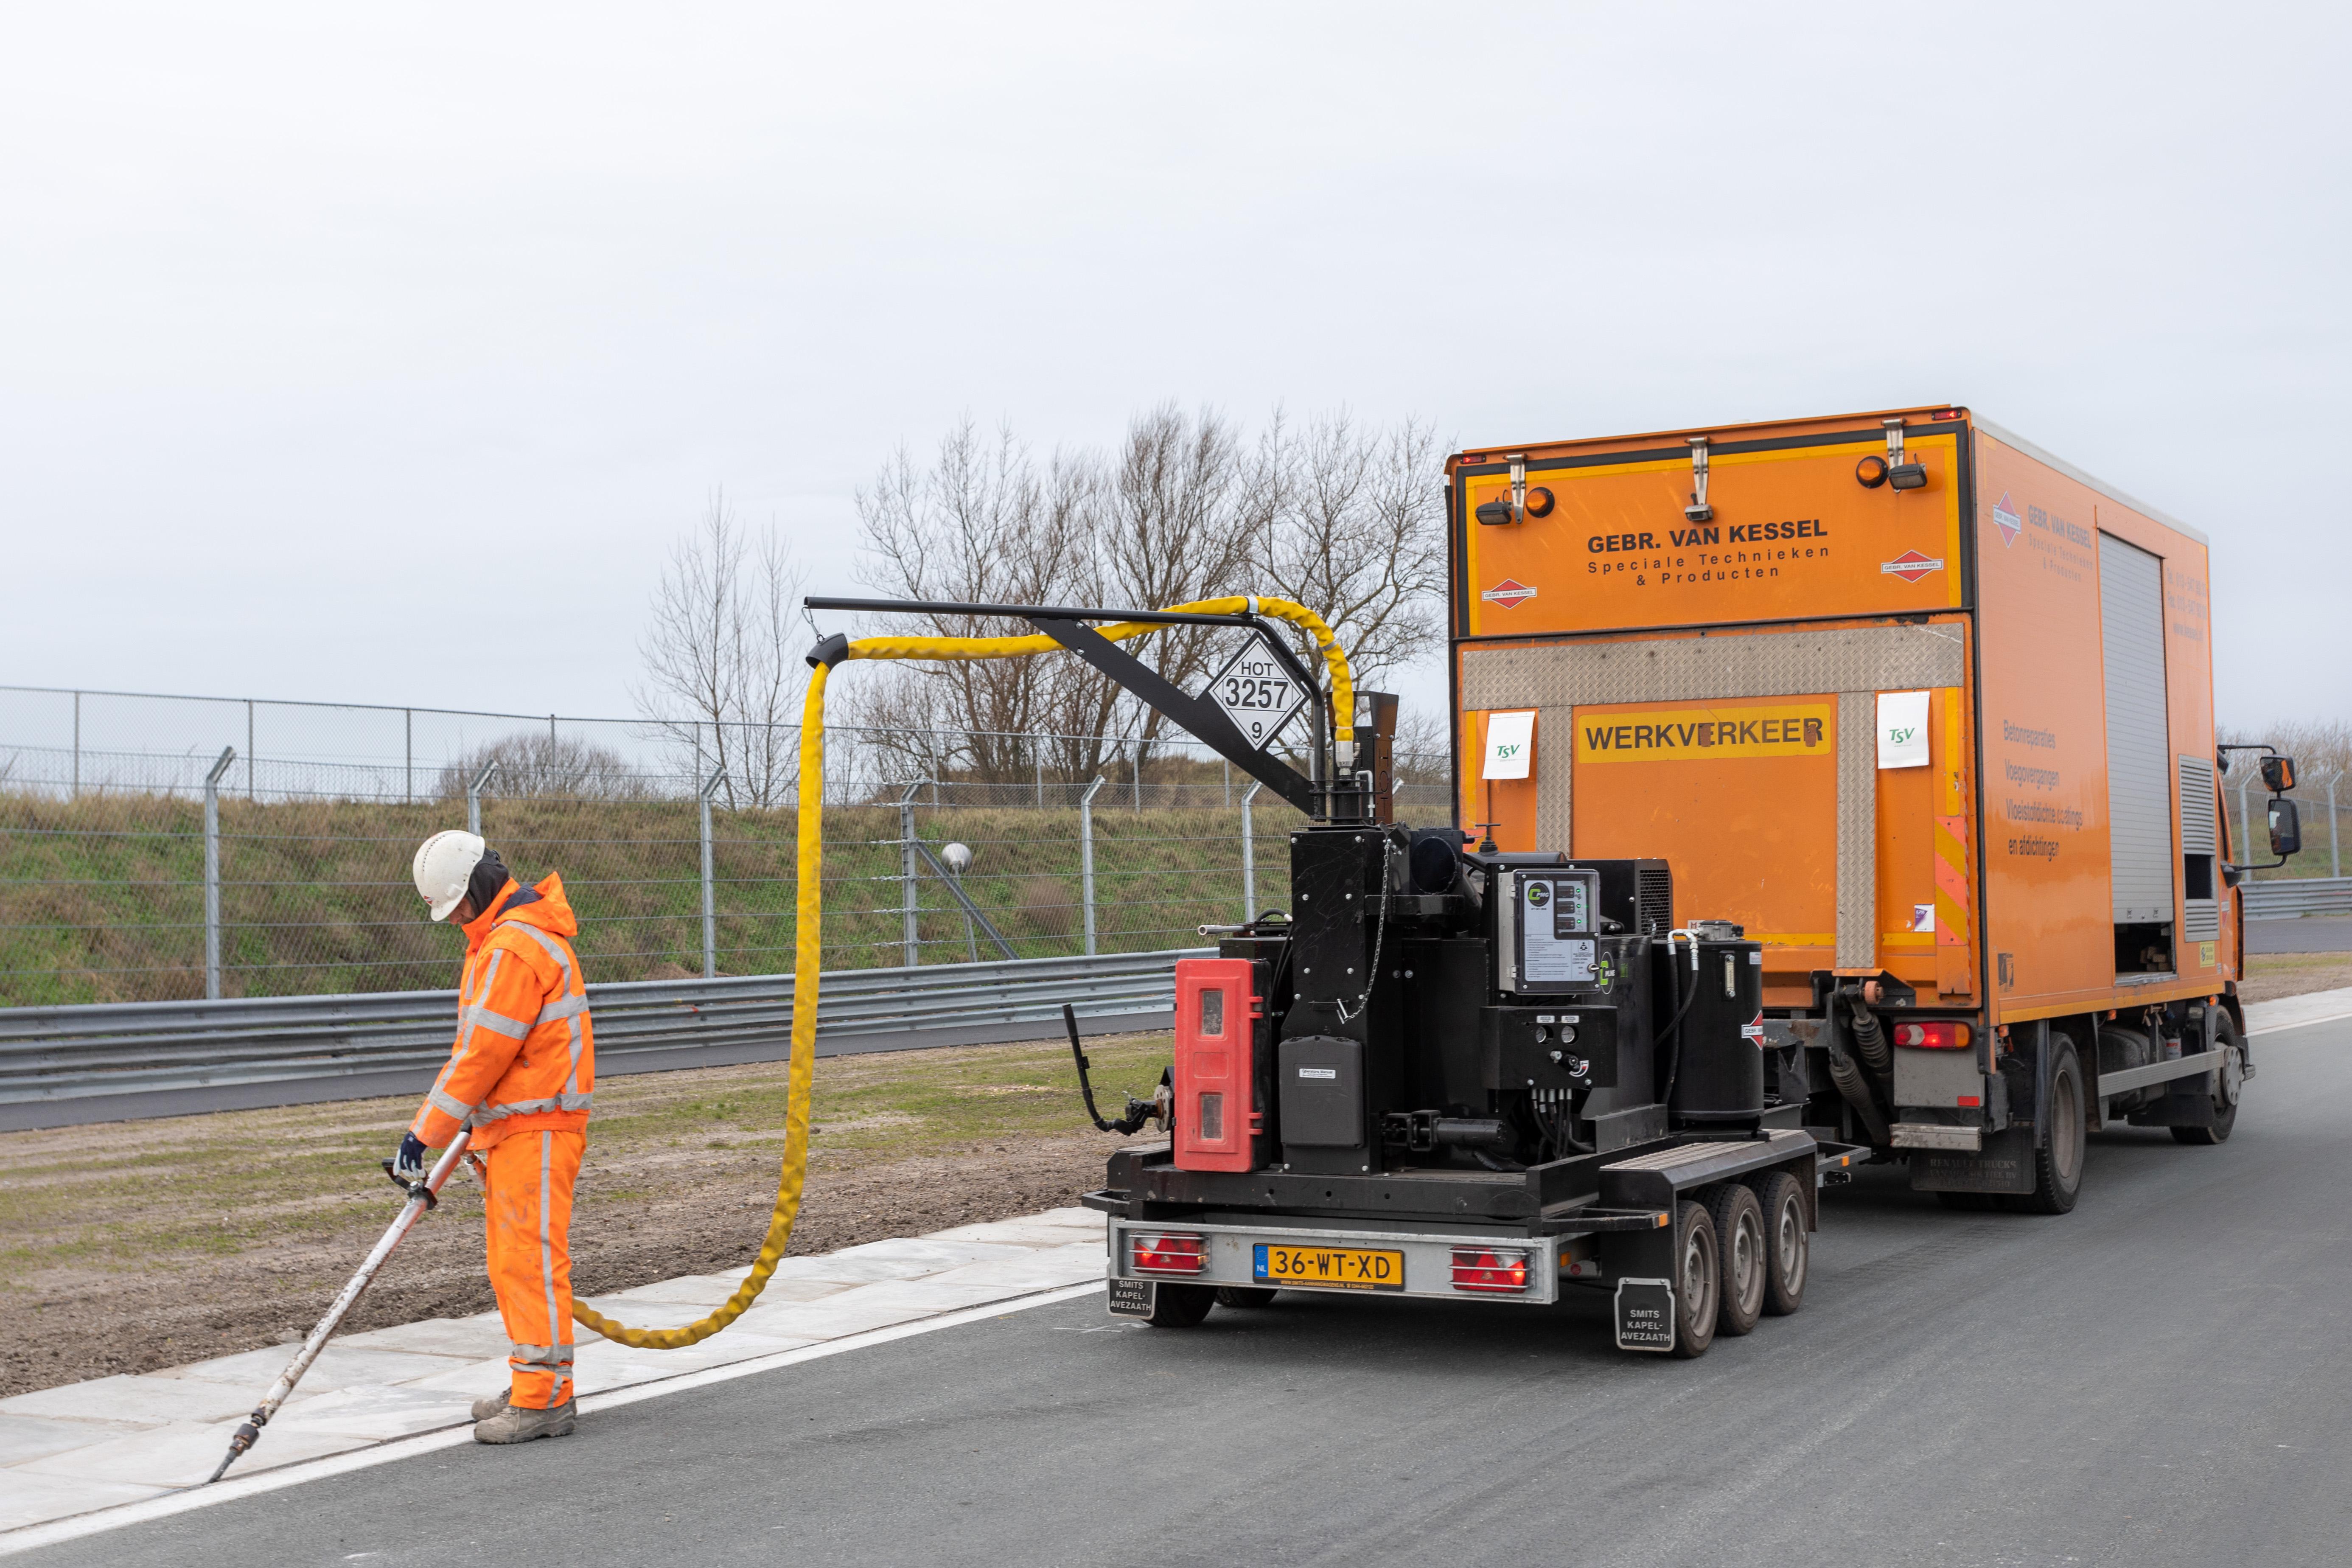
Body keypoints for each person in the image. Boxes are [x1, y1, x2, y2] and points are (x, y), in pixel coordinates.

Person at [395, 829, 594, 1445]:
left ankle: (542, 1399)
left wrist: (423, 1132)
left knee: (527, 1263)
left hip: (535, 1125)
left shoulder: (512, 947)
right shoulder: (502, 939)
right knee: (514, 1264)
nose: (453, 918)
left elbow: (481, 1054)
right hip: (517, 1125)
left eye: (456, 905)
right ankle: (537, 1381)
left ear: (478, 887)